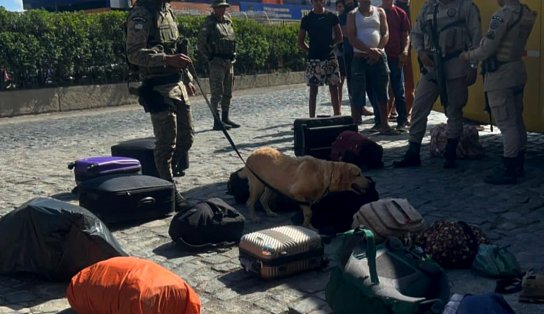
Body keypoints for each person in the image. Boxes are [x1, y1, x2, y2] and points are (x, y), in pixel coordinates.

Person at [393, 0, 481, 169]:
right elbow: (416, 33)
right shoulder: (429, 7)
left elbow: (476, 38)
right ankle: (413, 150)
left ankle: (451, 151)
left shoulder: (466, 7)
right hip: (432, 67)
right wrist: (421, 51)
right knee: (419, 108)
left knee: (454, 109)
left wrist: (473, 65)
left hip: (456, 65)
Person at [126, 0, 195, 211]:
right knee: (166, 144)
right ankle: (170, 190)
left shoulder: (167, 10)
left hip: (177, 84)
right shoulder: (141, 13)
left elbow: (177, 47)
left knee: (187, 138)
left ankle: (163, 173)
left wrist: (188, 77)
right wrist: (167, 59)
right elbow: (134, 54)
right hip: (157, 87)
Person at [460, 0, 536, 184]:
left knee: (507, 124)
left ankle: (509, 169)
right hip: (517, 69)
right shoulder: (526, 13)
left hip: (500, 75)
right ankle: (519, 164)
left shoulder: (501, 15)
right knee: (517, 120)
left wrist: (467, 56)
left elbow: (487, 49)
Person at [347, 0, 393, 134]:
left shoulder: (380, 12)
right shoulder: (352, 15)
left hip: (379, 57)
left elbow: (385, 33)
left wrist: (377, 51)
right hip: (359, 58)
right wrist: (369, 51)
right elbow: (352, 37)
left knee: (382, 91)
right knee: (357, 92)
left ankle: (384, 124)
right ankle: (355, 126)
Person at [197, 0, 239, 131]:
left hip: (228, 61)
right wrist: (209, 58)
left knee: (228, 92)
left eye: (224, 7)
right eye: (220, 7)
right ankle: (217, 121)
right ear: (214, 8)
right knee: (217, 93)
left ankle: (225, 118)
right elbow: (201, 44)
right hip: (216, 62)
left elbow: (231, 39)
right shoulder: (209, 23)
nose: (223, 10)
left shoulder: (228, 21)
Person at [298, 0, 343, 118]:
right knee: (313, 91)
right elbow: (300, 41)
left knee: (334, 88)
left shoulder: (332, 17)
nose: (319, 3)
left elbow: (339, 36)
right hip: (314, 59)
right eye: (316, 1)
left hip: (330, 57)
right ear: (312, 2)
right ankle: (311, 117)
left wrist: (331, 45)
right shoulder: (307, 19)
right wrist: (310, 51)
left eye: (321, 0)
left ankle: (337, 115)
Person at [382, 0, 410, 131]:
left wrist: (405, 51)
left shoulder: (400, 13)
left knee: (398, 89)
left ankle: (402, 120)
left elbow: (406, 35)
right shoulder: (377, 12)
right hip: (380, 56)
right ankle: (381, 120)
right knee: (380, 90)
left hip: (396, 56)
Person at [335, 0, 347, 106]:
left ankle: (360, 108)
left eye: (341, 6)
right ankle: (338, 104)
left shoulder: (348, 18)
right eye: (338, 7)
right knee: (340, 81)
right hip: (339, 54)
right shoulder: (335, 20)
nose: (341, 8)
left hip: (348, 51)